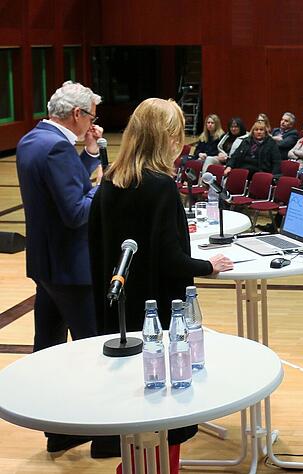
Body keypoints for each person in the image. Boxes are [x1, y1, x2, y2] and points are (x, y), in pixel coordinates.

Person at [88, 98, 234, 462]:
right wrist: (208, 265)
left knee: (132, 408)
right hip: (159, 315)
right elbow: (171, 260)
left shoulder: (109, 183)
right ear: (166, 138)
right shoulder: (161, 187)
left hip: (120, 316)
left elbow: (97, 250)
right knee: (165, 410)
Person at [16, 81, 105, 454]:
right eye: (91, 117)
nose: (93, 125)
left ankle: (57, 432)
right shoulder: (57, 148)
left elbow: (63, 189)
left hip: (46, 264)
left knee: (48, 349)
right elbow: (76, 211)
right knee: (94, 348)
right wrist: (105, 187)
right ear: (77, 114)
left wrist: (89, 154)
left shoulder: (32, 140)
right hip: (72, 268)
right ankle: (104, 436)